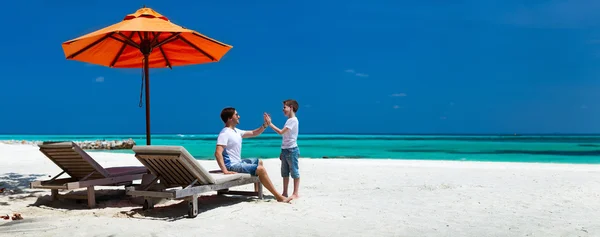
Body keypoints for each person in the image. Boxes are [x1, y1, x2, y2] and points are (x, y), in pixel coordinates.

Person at [214, 107, 291, 203]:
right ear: (230, 118)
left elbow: (254, 133)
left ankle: (257, 191)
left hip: (238, 162)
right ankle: (278, 196)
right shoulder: (224, 133)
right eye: (236, 114)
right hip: (232, 166)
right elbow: (218, 153)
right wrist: (225, 170)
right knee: (260, 169)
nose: (239, 116)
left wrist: (265, 125)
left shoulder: (236, 131)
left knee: (259, 161)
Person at [266, 99, 300, 200]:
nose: (283, 110)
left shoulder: (293, 120)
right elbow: (285, 138)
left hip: (292, 150)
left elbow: (281, 132)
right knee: (284, 172)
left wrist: (269, 124)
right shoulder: (289, 120)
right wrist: (282, 151)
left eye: (285, 107)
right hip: (285, 150)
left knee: (294, 172)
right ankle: (285, 192)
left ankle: (295, 193)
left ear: (291, 108)